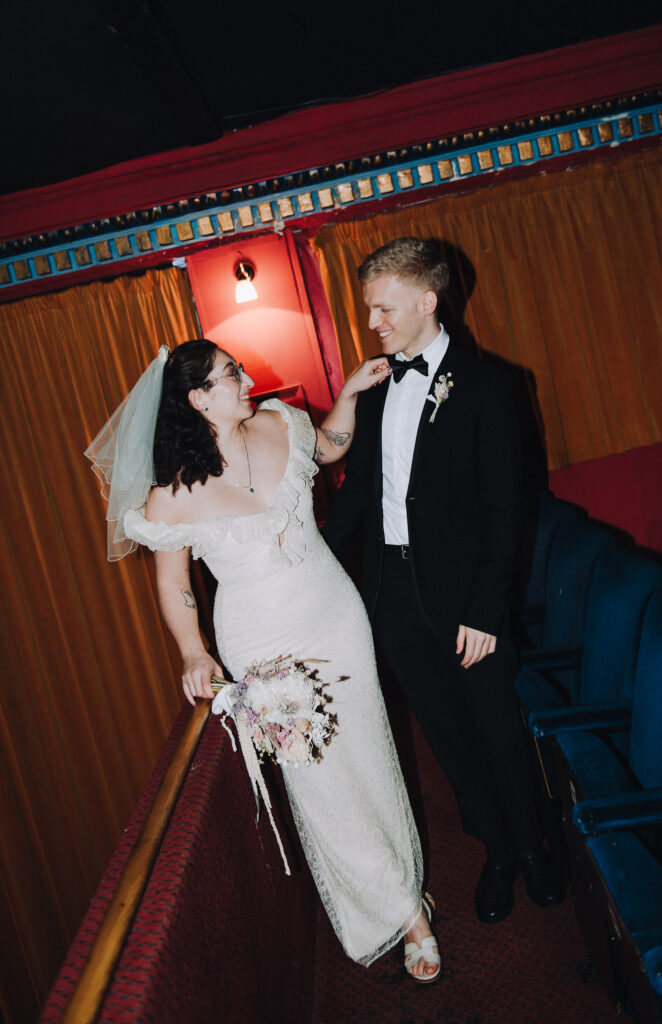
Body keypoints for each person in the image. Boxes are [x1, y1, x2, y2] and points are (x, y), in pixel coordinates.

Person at [85, 338, 440, 981]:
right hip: (262, 646)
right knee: (321, 783)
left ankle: (401, 885)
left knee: (368, 750)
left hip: (335, 616)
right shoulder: (172, 495)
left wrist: (349, 394)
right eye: (232, 374)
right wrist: (192, 650)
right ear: (198, 399)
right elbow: (173, 584)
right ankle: (405, 913)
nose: (247, 378)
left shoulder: (282, 421)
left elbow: (330, 448)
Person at [322, 237, 564, 924]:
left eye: (383, 308)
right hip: (393, 598)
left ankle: (534, 845)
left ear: (428, 300)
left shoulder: (489, 385)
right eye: (369, 309)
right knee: (448, 737)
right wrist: (311, 562)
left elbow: (505, 508)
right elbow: (358, 494)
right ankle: (496, 851)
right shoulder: (375, 388)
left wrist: (486, 609)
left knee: (497, 729)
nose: (372, 322)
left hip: (467, 600)